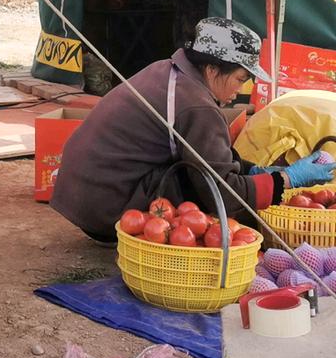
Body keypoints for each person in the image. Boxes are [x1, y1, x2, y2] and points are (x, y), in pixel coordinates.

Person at [51, 17, 336, 243]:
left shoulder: (168, 71)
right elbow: (221, 192)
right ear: (212, 69)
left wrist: (253, 172)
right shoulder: (197, 106)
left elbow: (213, 155)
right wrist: (287, 179)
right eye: (240, 78)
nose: (240, 89)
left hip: (82, 194)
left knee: (204, 172)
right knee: (203, 186)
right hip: (105, 209)